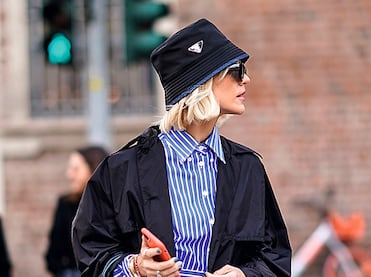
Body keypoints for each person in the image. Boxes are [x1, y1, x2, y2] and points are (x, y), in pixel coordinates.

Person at [72, 18, 291, 277]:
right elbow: (91, 256)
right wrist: (136, 267)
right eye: (237, 70)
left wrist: (244, 275)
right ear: (203, 82)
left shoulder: (247, 167)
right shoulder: (121, 170)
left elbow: (275, 257)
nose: (247, 79)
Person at [46, 146, 109, 277]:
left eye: (76, 169)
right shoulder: (65, 204)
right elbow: (53, 254)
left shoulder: (113, 206)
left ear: (94, 169)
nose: (69, 175)